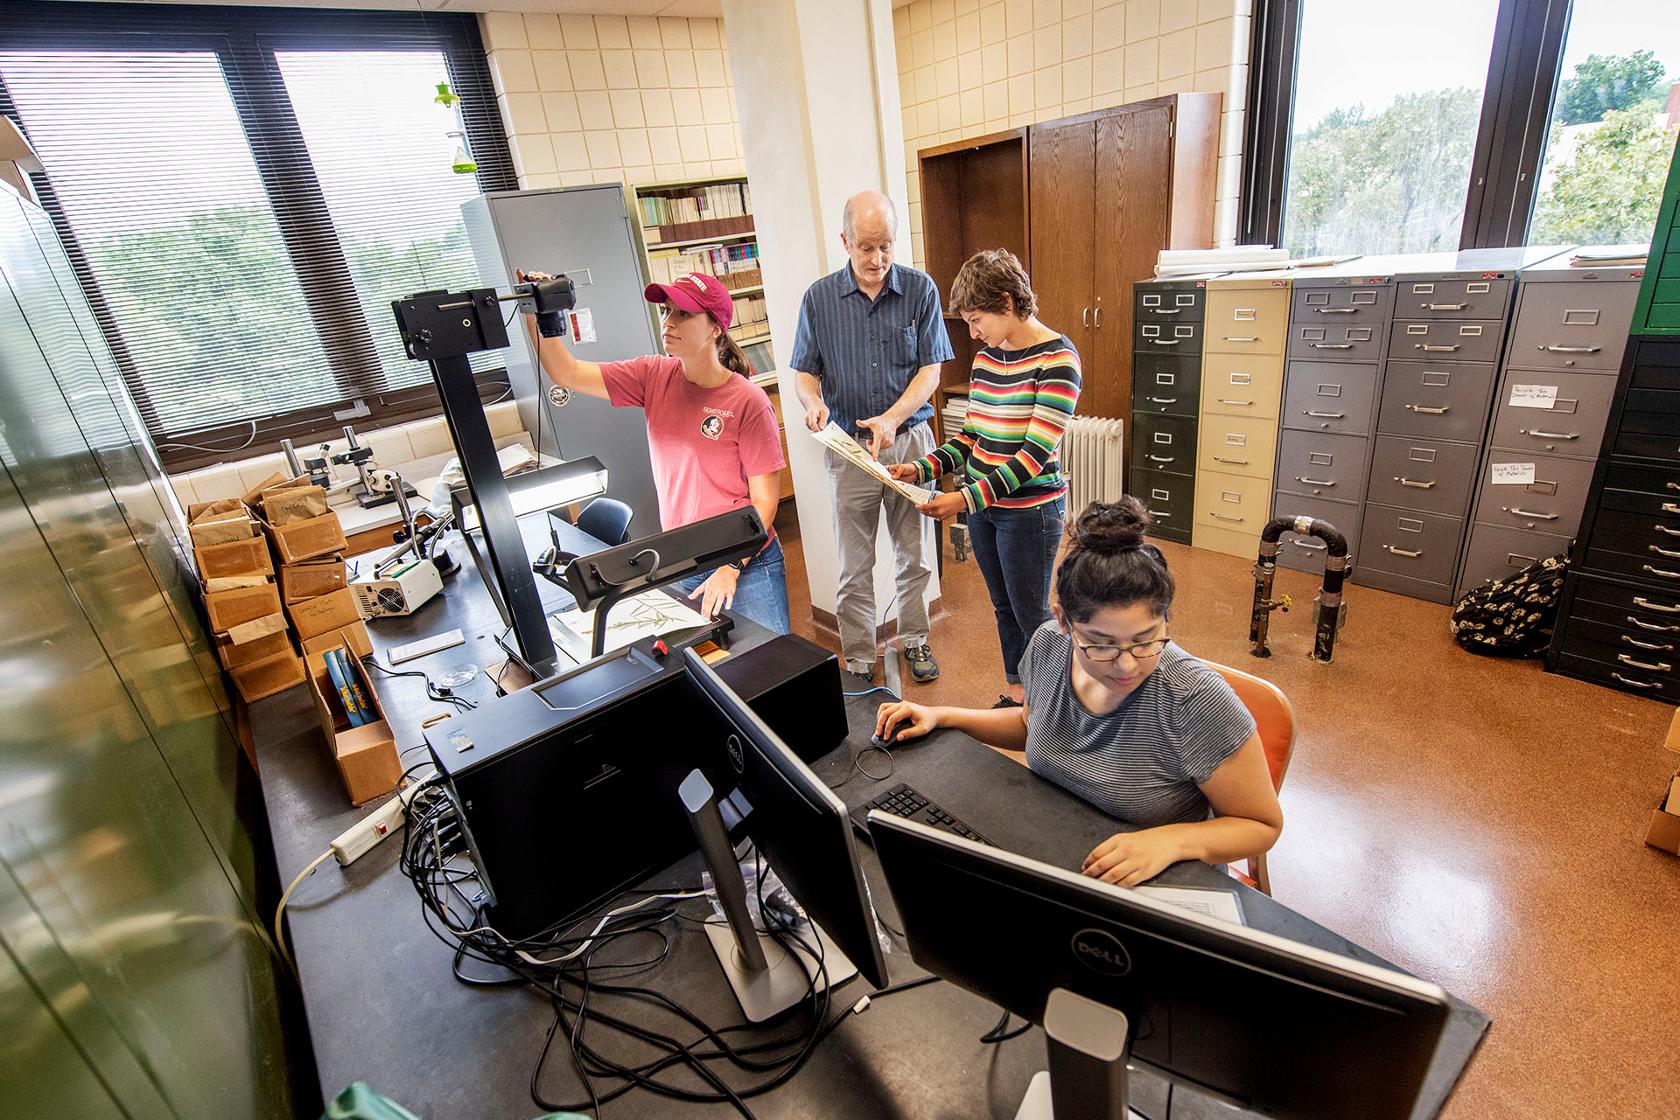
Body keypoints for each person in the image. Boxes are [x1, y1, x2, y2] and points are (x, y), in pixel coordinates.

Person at [873, 498, 1283, 887]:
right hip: (1062, 852)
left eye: (1146, 641)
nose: (1126, 665)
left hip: (1156, 878)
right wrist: (945, 716)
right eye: (1101, 645)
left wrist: (1171, 841)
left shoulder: (1195, 700)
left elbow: (1261, 824)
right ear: (1063, 620)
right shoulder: (1049, 645)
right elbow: (1031, 725)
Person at [519, 269, 790, 634]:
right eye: (666, 311)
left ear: (715, 328)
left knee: (771, 670)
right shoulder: (653, 376)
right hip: (683, 560)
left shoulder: (748, 402)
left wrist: (732, 568)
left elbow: (764, 503)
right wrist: (540, 312)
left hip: (746, 561)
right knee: (707, 670)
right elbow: (565, 372)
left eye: (683, 314)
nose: (669, 322)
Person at [890, 249, 1078, 707]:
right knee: (1002, 608)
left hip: (1030, 514)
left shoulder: (1058, 360)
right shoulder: (986, 361)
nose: (973, 334)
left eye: (977, 321)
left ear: (1008, 302)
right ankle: (1018, 696)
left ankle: (1053, 709)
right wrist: (923, 467)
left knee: (1032, 614)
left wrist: (962, 501)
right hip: (986, 511)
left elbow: (1033, 456)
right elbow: (971, 436)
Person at [790, 190, 954, 686]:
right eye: (865, 247)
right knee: (854, 566)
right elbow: (804, 373)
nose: (877, 259)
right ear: (845, 241)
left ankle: (915, 641)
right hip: (849, 449)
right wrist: (812, 403)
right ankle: (860, 659)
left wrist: (890, 418)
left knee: (916, 555)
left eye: (886, 246)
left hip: (909, 444)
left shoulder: (921, 291)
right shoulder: (818, 299)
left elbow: (931, 371)